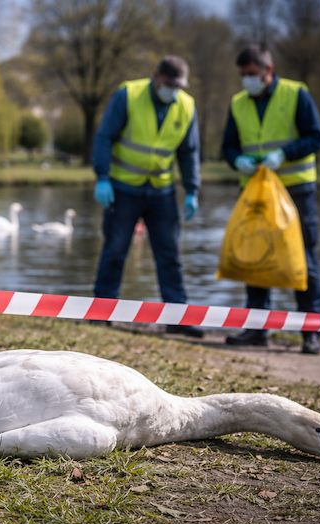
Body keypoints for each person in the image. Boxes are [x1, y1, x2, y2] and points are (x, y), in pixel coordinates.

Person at [222, 44, 320, 354]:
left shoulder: (296, 94)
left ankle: (311, 332)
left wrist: (284, 154)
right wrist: (237, 160)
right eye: (242, 75)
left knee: (303, 258)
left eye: (251, 74)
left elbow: (315, 137)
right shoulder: (238, 103)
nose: (246, 80)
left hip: (295, 189)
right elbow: (228, 146)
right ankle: (256, 329)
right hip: (255, 191)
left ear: (268, 69)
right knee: (255, 257)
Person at [92, 55, 203, 338]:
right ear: (157, 76)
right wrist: (102, 177)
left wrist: (191, 189)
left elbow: (189, 151)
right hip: (123, 188)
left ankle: (177, 317)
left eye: (178, 85)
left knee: (170, 254)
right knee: (115, 250)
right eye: (169, 83)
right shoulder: (128, 95)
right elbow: (105, 136)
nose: (173, 90)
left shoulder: (186, 106)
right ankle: (102, 313)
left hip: (162, 192)